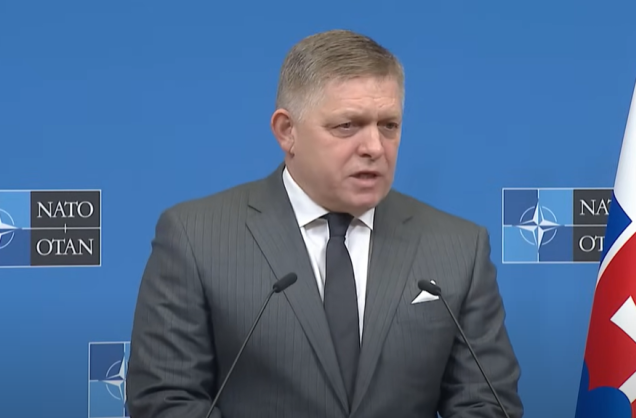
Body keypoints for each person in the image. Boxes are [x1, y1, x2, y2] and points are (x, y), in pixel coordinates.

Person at [126, 29, 523, 418]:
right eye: (347, 126)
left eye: (389, 125)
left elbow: (486, 404)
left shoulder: (458, 247)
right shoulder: (197, 237)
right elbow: (164, 400)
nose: (374, 147)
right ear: (287, 131)